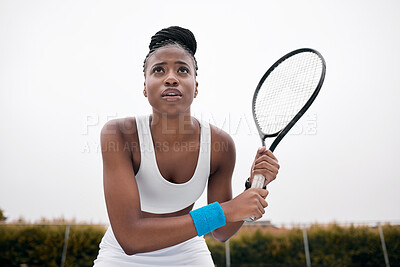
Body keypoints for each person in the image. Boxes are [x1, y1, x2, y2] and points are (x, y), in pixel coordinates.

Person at [93, 26, 280, 267]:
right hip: (121, 255)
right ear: (144, 86)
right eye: (158, 70)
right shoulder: (119, 134)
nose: (171, 78)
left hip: (188, 253)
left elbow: (221, 233)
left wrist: (253, 186)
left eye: (183, 70)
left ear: (196, 85)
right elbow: (131, 238)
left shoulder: (220, 145)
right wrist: (226, 211)